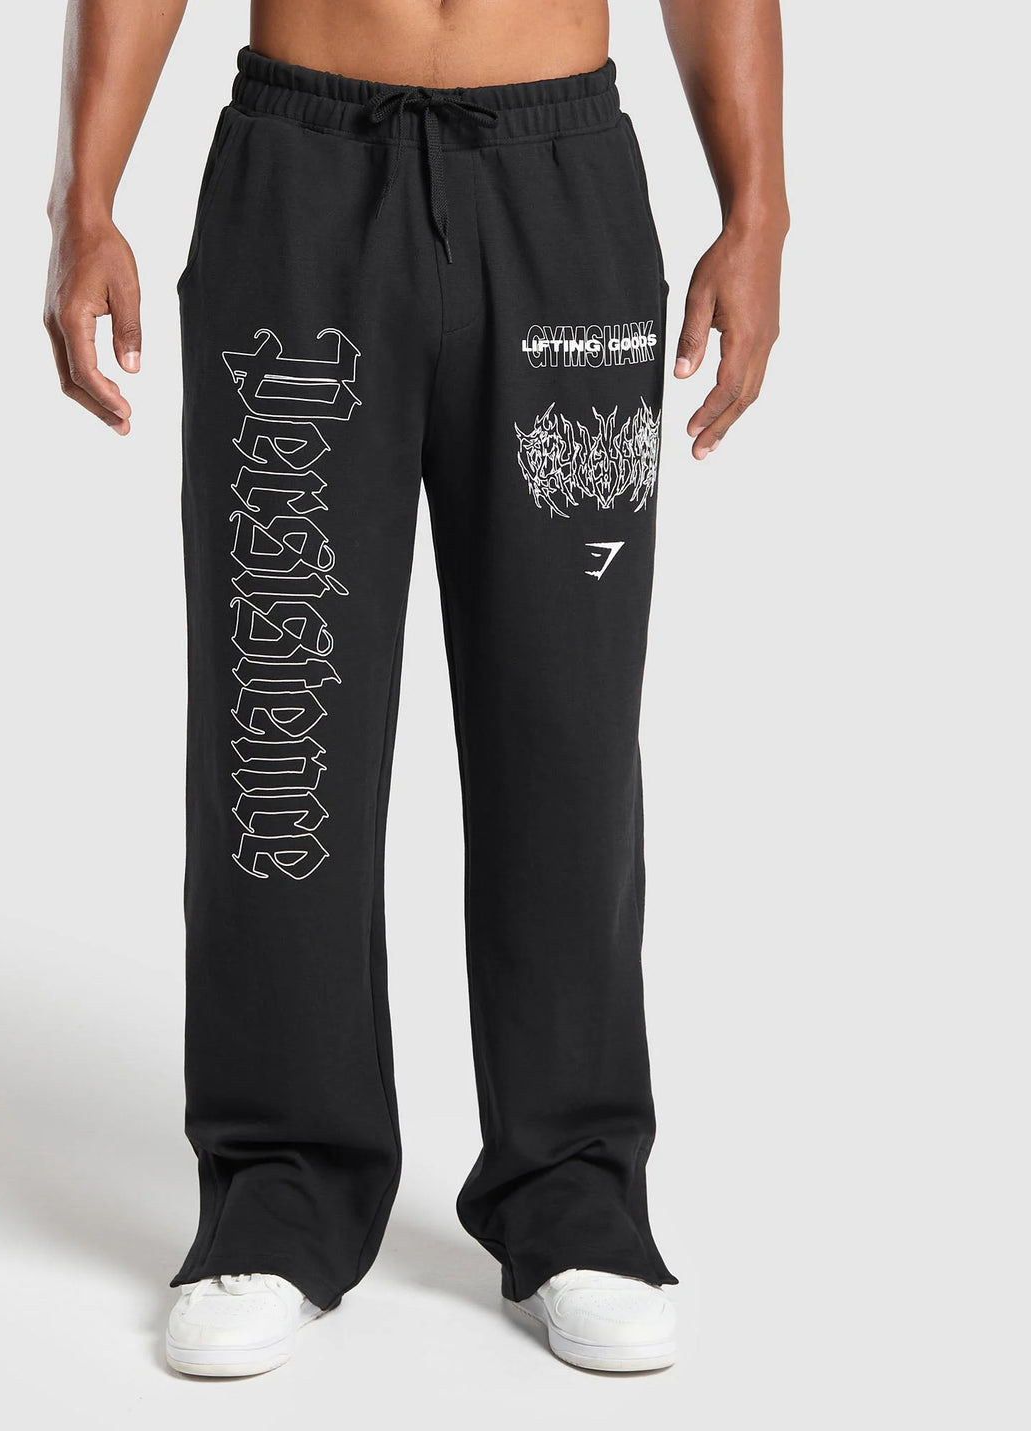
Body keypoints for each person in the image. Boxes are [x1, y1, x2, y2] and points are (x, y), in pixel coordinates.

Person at [45, 0, 786, 1377]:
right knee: (284, 719)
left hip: (560, 180)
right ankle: (281, 1189)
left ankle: (574, 1195)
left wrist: (760, 213)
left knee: (565, 724)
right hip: (301, 172)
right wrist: (82, 200)